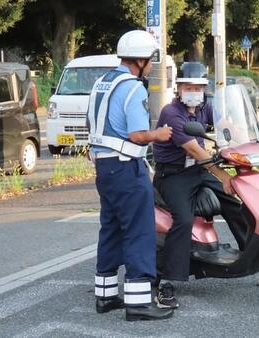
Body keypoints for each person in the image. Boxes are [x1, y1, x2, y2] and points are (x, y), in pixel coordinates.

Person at [87, 30, 173, 321]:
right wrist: (159, 134)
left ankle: (106, 296)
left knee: (110, 228)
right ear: (139, 60)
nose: (151, 65)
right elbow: (137, 135)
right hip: (126, 167)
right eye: (150, 60)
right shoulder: (134, 87)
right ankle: (139, 303)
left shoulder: (102, 83)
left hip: (104, 167)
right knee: (139, 230)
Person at [152, 63, 249, 309]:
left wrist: (248, 142)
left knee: (234, 203)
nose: (194, 90)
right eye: (189, 86)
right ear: (179, 88)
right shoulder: (171, 113)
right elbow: (195, 150)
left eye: (198, 87)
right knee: (183, 219)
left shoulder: (205, 106)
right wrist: (223, 176)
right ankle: (166, 283)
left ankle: (253, 255)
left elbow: (226, 125)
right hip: (173, 175)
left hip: (198, 170)